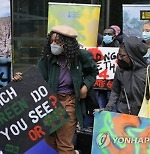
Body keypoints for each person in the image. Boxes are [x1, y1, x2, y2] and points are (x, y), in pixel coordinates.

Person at [13, 25, 98, 154]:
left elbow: (92, 73)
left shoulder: (81, 56)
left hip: (70, 102)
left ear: (67, 43)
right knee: (50, 140)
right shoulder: (47, 59)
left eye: (57, 42)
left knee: (64, 143)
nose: (53, 44)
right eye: (51, 41)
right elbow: (36, 76)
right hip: (51, 102)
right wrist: (21, 78)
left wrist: (85, 86)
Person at [104, 36, 150, 123]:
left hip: (144, 119)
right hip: (123, 117)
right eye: (119, 55)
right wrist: (107, 109)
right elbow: (115, 92)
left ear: (133, 56)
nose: (119, 59)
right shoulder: (120, 70)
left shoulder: (149, 71)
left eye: (123, 56)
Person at [95, 27, 120, 109]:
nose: (106, 36)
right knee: (101, 107)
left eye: (109, 34)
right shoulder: (99, 48)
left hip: (113, 85)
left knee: (113, 108)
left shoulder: (119, 49)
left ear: (114, 36)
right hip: (101, 85)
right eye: (105, 34)